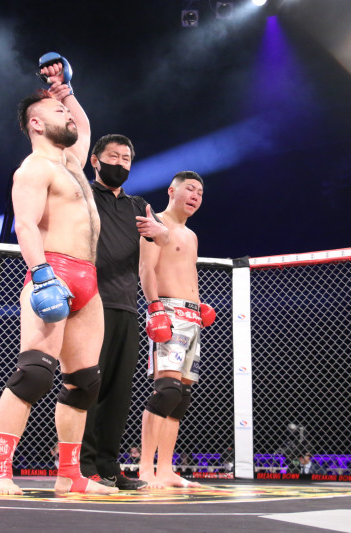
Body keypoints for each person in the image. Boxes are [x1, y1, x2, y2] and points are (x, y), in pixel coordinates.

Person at [0, 53, 116, 496]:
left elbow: (85, 127)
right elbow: (25, 225)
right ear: (36, 124)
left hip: (88, 279)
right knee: (35, 374)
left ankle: (69, 475)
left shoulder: (72, 163)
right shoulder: (34, 168)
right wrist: (41, 275)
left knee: (84, 382)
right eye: (57, 111)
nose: (67, 115)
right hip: (52, 271)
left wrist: (66, 92)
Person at [79, 133, 169, 491]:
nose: (120, 164)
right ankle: (83, 467)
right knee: (86, 385)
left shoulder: (138, 206)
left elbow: (159, 246)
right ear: (95, 160)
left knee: (118, 392)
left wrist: (161, 233)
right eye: (113, 157)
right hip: (88, 302)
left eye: (126, 159)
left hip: (127, 306)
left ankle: (109, 466)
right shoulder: (82, 194)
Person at [137, 171, 215, 489]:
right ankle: (145, 468)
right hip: (167, 312)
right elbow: (146, 268)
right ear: (172, 190)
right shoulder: (156, 223)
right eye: (190, 189)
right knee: (166, 390)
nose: (195, 196)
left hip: (192, 316)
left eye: (200, 192)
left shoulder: (191, 235)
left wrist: (199, 304)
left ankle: (166, 470)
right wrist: (154, 307)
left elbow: (187, 274)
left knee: (181, 397)